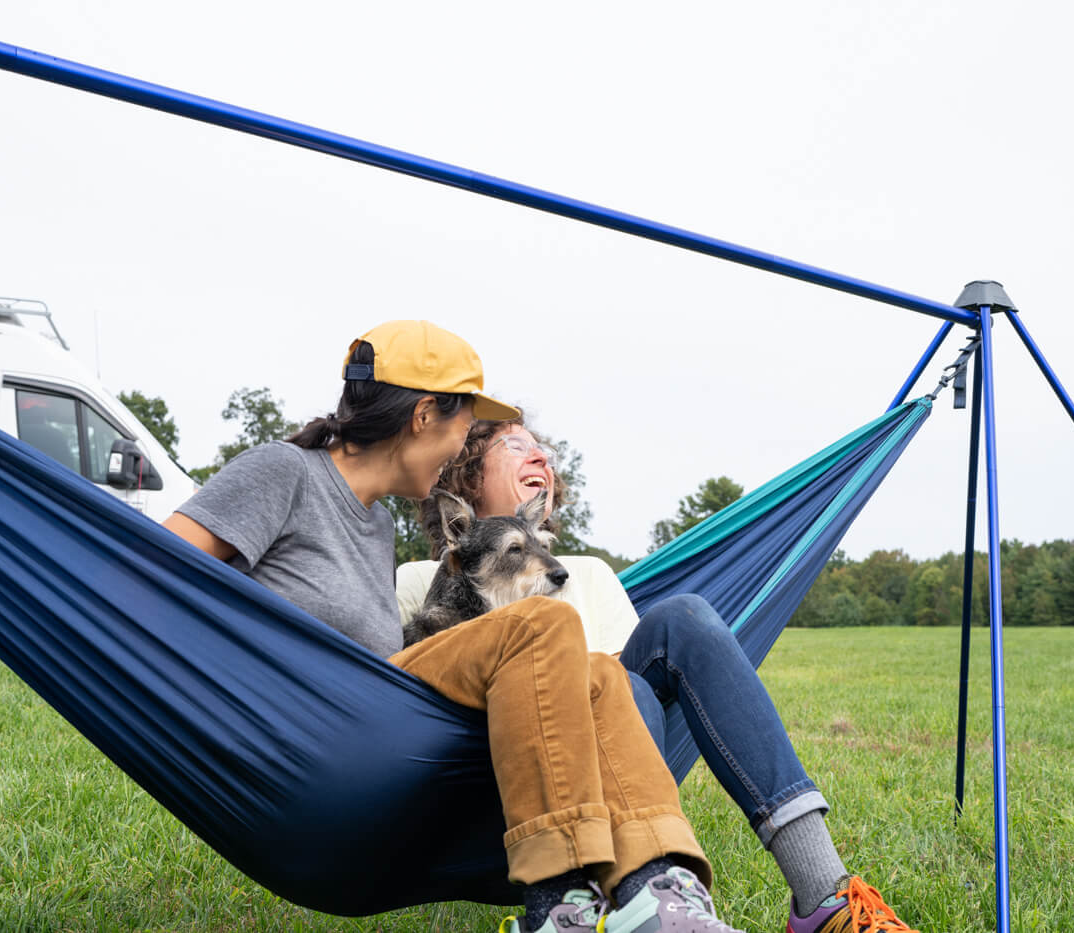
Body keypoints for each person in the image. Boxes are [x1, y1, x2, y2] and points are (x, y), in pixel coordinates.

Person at [163, 321, 745, 933]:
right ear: (422, 416)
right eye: (464, 428)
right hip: (318, 722)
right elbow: (152, 573)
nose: (458, 449)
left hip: (385, 713)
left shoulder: (376, 523)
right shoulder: (285, 472)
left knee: (599, 672)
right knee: (540, 624)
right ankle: (557, 906)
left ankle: (660, 897)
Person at [397, 416, 921, 933]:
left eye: (546, 453)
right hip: (502, 789)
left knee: (678, 621)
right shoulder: (422, 579)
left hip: (626, 767)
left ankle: (824, 896)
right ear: (465, 476)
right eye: (516, 445)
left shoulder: (589, 573)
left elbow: (631, 688)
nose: (541, 459)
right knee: (606, 676)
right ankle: (626, 903)